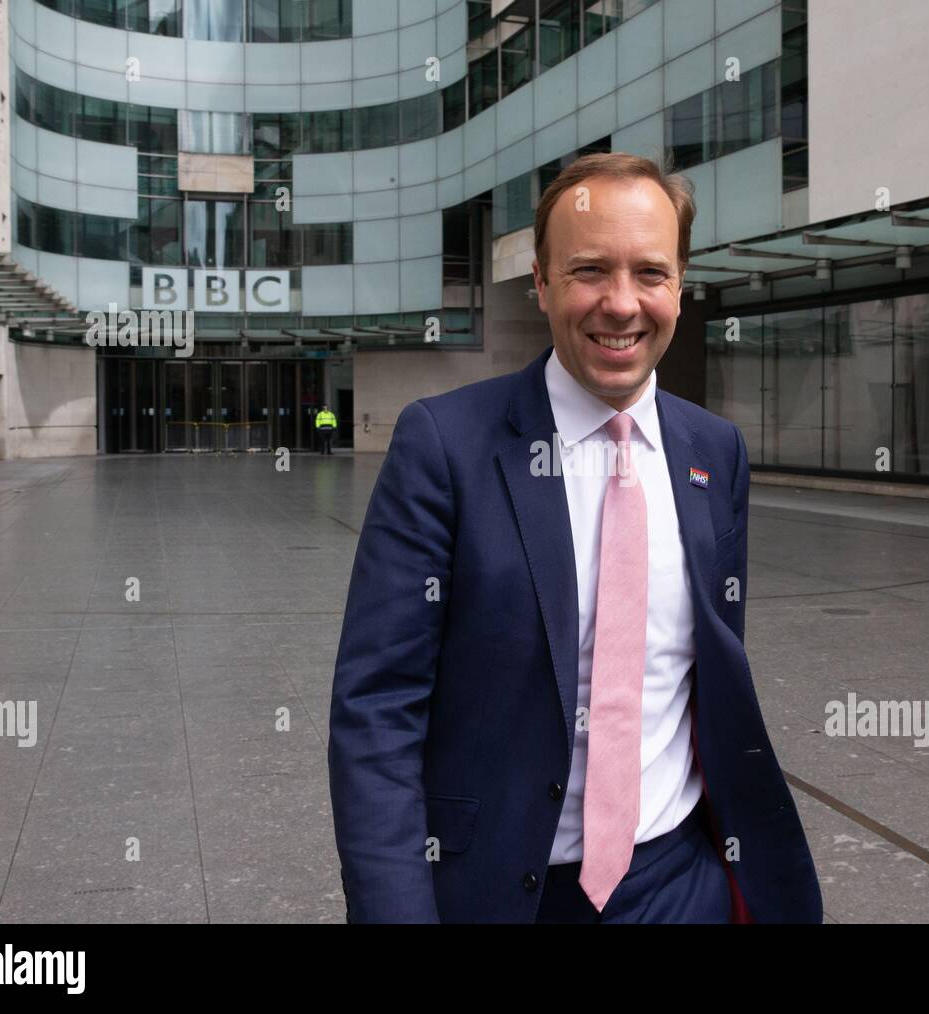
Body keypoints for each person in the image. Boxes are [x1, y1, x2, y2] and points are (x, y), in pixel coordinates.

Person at [328, 152, 822, 924]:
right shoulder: (446, 444)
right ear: (542, 281)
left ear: (681, 287)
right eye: (590, 269)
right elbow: (378, 710)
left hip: (678, 886)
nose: (621, 304)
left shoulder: (714, 452)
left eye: (650, 273)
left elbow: (705, 681)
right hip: (503, 896)